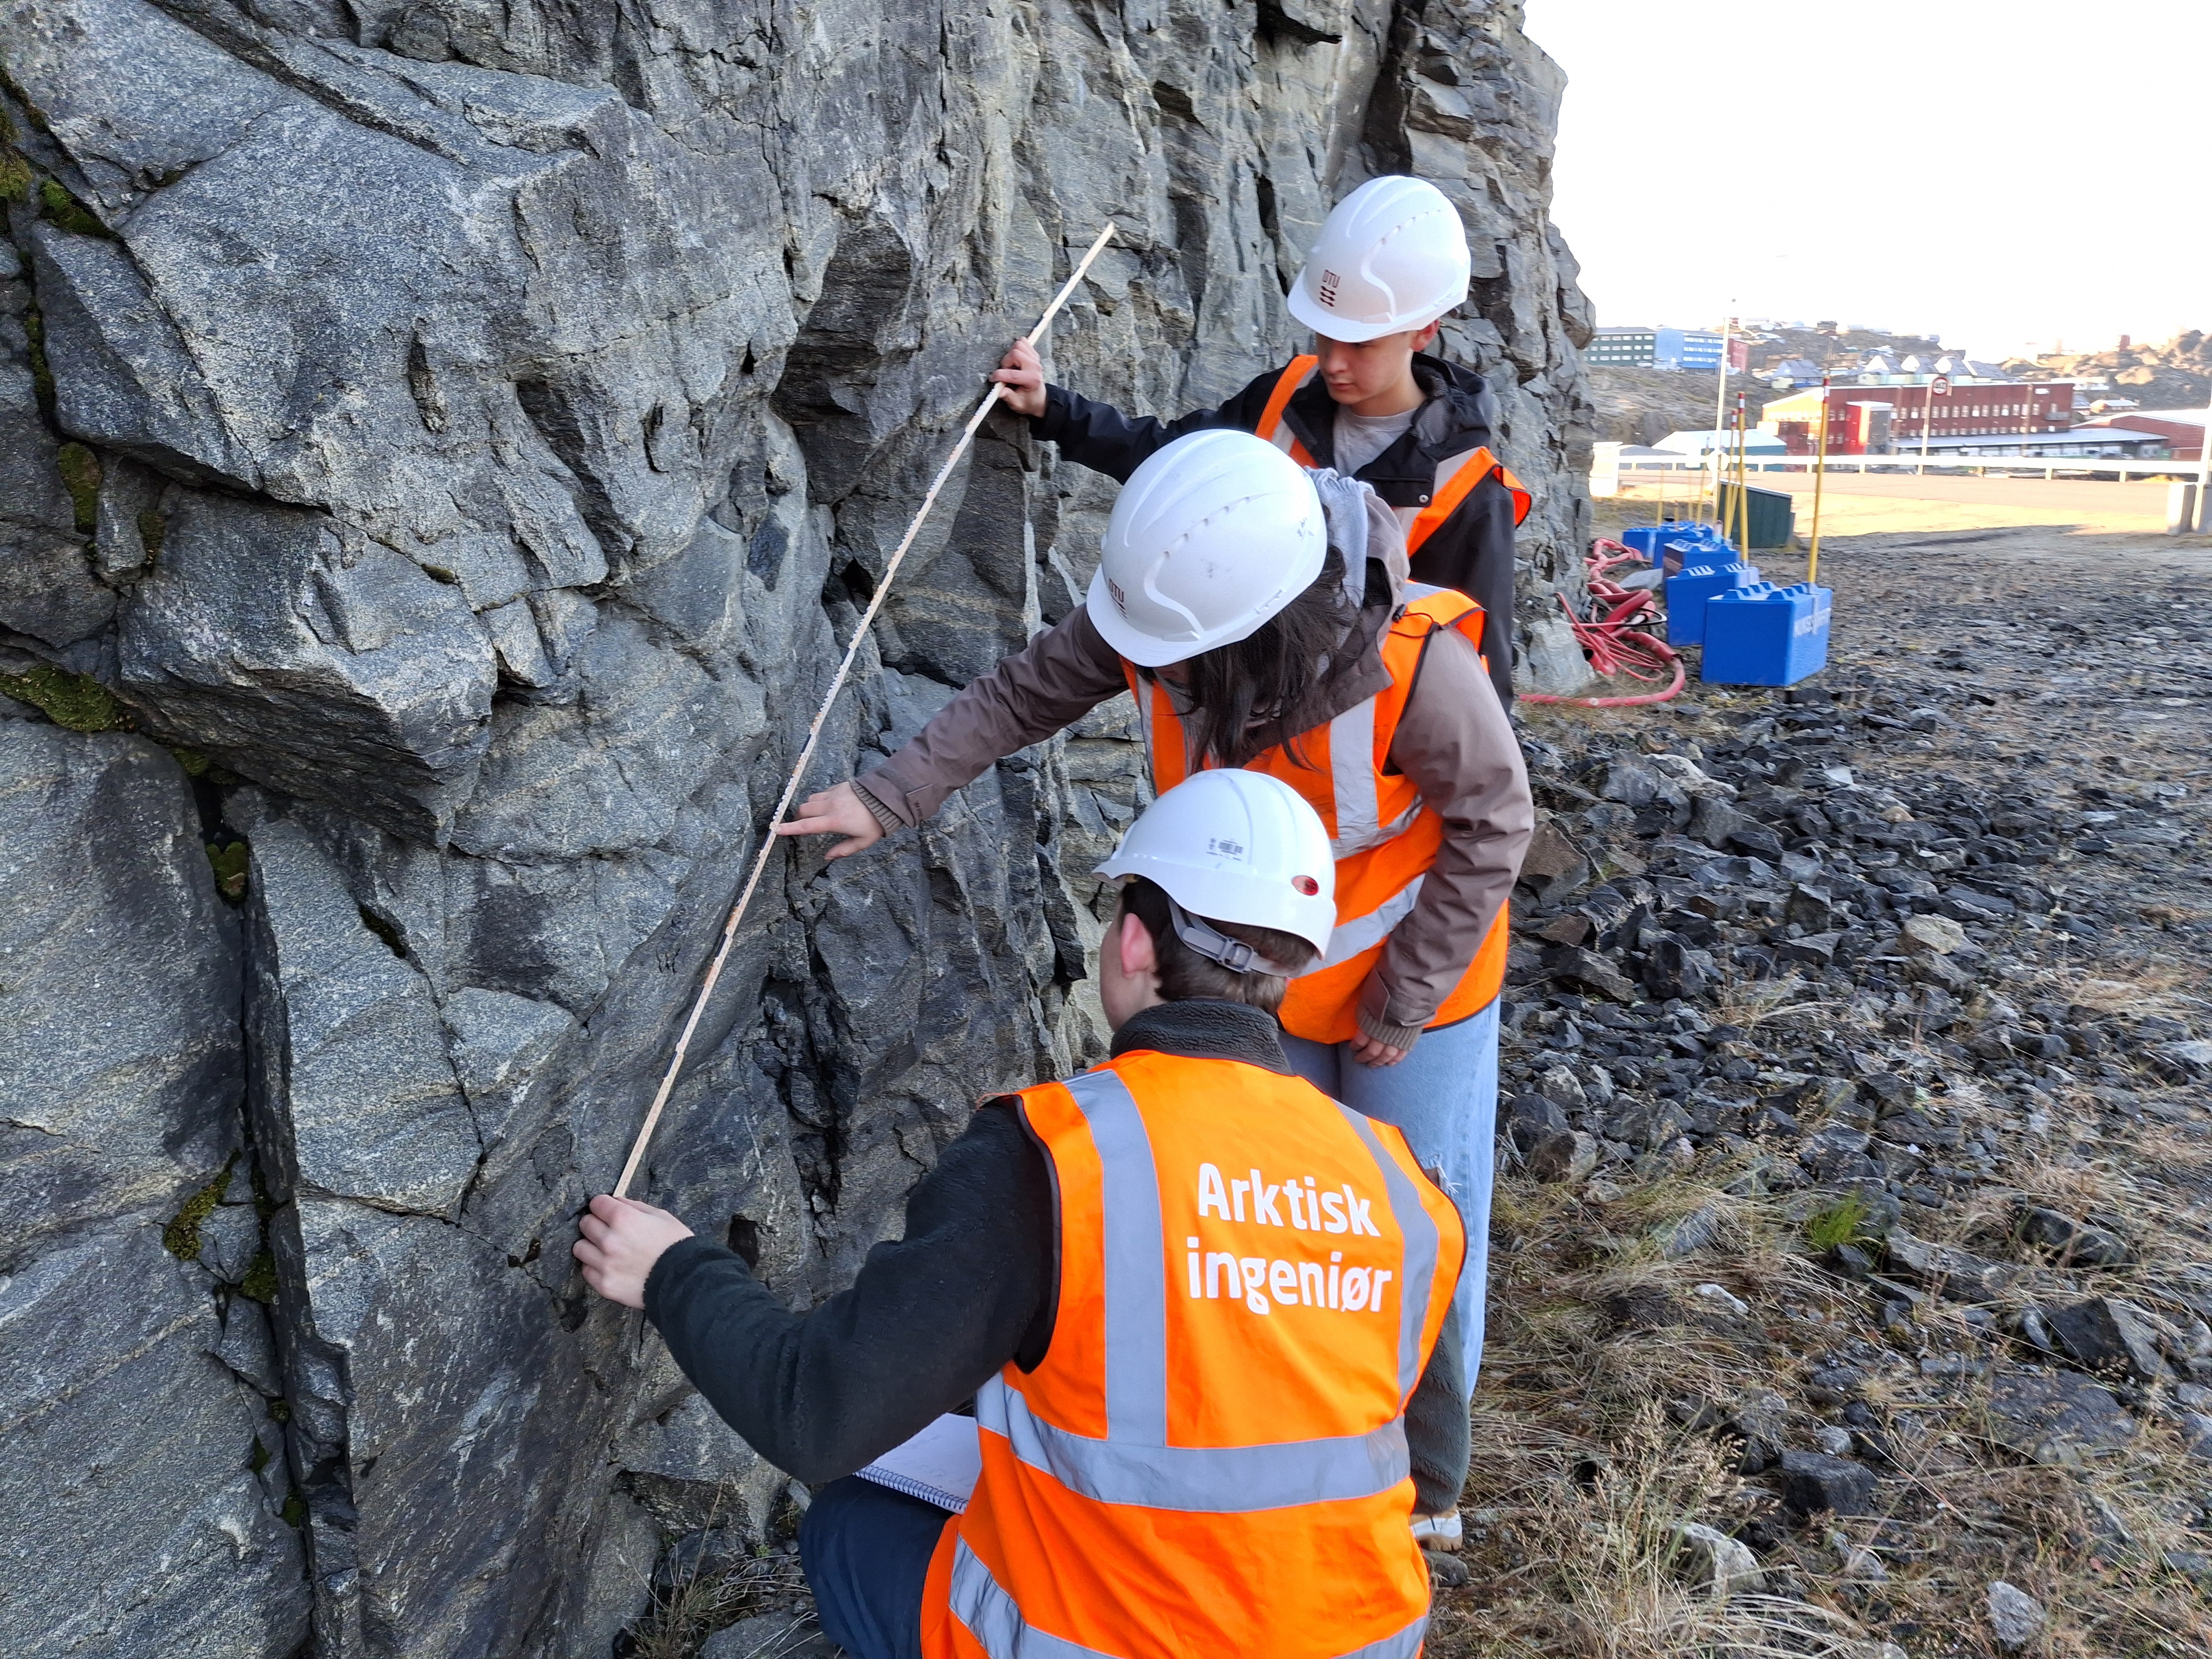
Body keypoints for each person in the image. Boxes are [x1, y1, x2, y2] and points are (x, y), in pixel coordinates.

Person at [774, 429, 1532, 1546]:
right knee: (1271, 1219)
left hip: (1411, 991)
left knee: (1416, 1219)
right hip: (1258, 987)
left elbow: (1496, 824)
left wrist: (1405, 998)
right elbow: (1025, 692)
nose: (1153, 677)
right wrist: (888, 799)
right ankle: (1273, 1432)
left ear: (1260, 630)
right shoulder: (1175, 598)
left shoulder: (1417, 668)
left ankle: (1421, 1492)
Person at [575, 769, 1469, 1659]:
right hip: (1365, 1638)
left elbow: (816, 1416)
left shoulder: (1055, 1152)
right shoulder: (1401, 1181)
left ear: (1131, 943)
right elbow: (1432, 1473)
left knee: (853, 1522)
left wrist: (673, 1271)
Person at [992, 173, 1531, 711]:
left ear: (1424, 330)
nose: (1334, 362)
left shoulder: (1470, 495)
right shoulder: (1283, 397)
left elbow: (1477, 674)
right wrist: (1052, 408)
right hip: (1234, 716)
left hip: (1356, 761)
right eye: (1325, 335)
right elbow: (1173, 464)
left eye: (1360, 344)